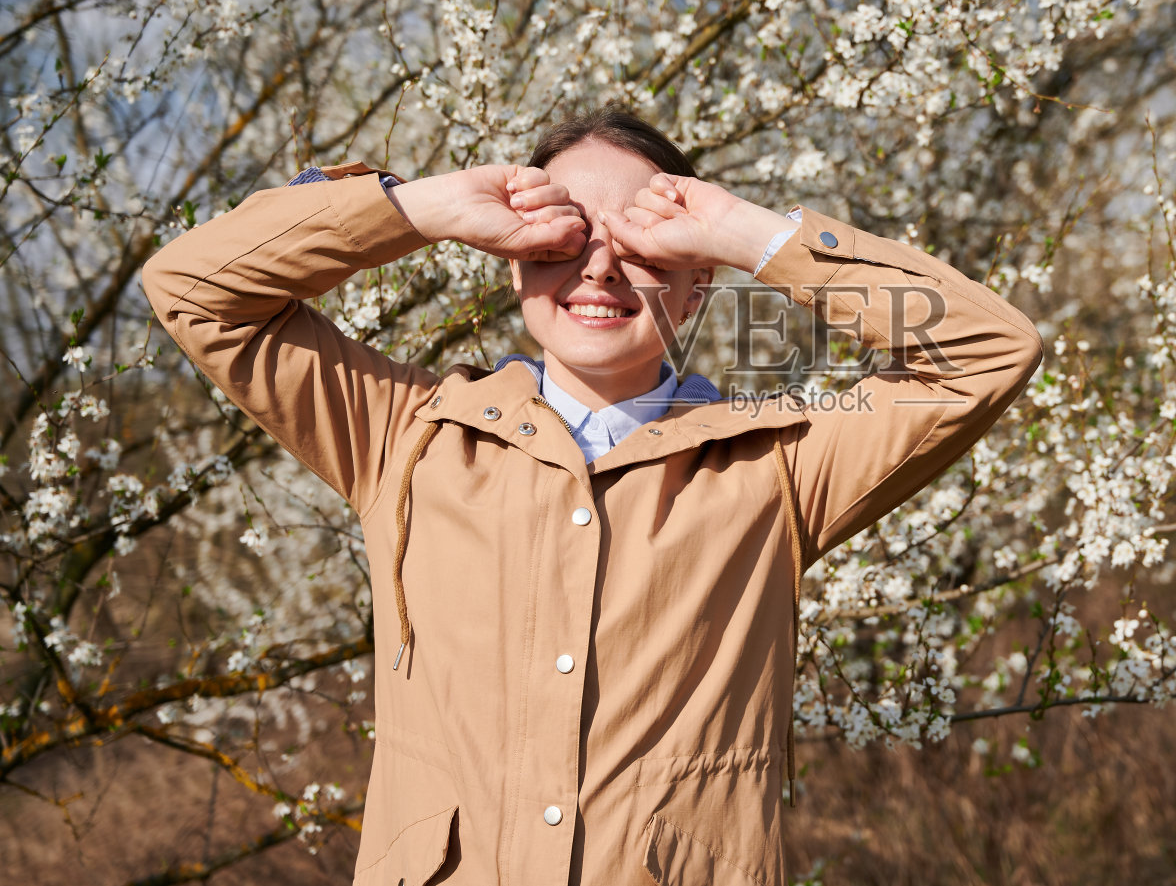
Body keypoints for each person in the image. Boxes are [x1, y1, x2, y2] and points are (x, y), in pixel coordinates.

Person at [141, 106, 1042, 886]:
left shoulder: (777, 466)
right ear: (512, 258)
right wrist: (426, 208)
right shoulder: (404, 435)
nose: (601, 268)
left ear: (696, 289)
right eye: (567, 235)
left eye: (645, 244)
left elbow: (987, 351)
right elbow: (193, 286)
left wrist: (747, 233)